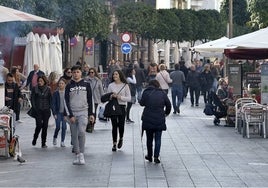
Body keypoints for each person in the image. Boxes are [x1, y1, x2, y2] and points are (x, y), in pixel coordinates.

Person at [64, 65, 95, 165]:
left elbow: (91, 99)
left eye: (77, 72)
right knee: (74, 135)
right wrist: (69, 115)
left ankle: (81, 154)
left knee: (81, 131)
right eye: (74, 72)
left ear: (81, 73)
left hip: (83, 112)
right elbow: (66, 101)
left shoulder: (86, 84)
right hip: (72, 113)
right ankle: (77, 154)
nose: (75, 74)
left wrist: (92, 114)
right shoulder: (69, 85)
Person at [139, 80, 171, 164]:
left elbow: (142, 103)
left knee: (149, 138)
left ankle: (149, 156)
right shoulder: (162, 93)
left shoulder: (146, 92)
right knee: (158, 138)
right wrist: (166, 113)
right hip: (159, 117)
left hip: (148, 117)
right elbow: (168, 104)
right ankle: (156, 156)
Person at [106, 70, 131, 152]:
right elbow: (107, 96)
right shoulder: (110, 85)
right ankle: (114, 143)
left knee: (121, 124)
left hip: (122, 106)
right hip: (113, 106)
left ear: (120, 75)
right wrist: (111, 96)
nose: (114, 75)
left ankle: (121, 138)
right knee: (114, 125)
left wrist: (120, 97)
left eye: (116, 74)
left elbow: (129, 98)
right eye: (113, 74)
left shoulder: (125, 85)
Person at [31, 75, 52, 148]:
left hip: (46, 110)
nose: (40, 82)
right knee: (39, 125)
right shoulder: (35, 88)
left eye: (41, 81)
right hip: (38, 110)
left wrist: (50, 108)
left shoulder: (48, 89)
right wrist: (34, 107)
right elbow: (32, 99)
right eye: (38, 81)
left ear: (44, 81)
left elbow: (50, 99)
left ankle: (43, 142)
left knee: (45, 126)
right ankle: (35, 138)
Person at [51, 78, 67, 147]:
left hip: (65, 113)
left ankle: (62, 141)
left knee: (64, 127)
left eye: (62, 83)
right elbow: (53, 104)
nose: (60, 85)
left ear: (65, 85)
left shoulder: (67, 93)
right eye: (59, 83)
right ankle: (55, 137)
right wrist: (54, 113)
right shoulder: (56, 93)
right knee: (58, 127)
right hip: (58, 112)